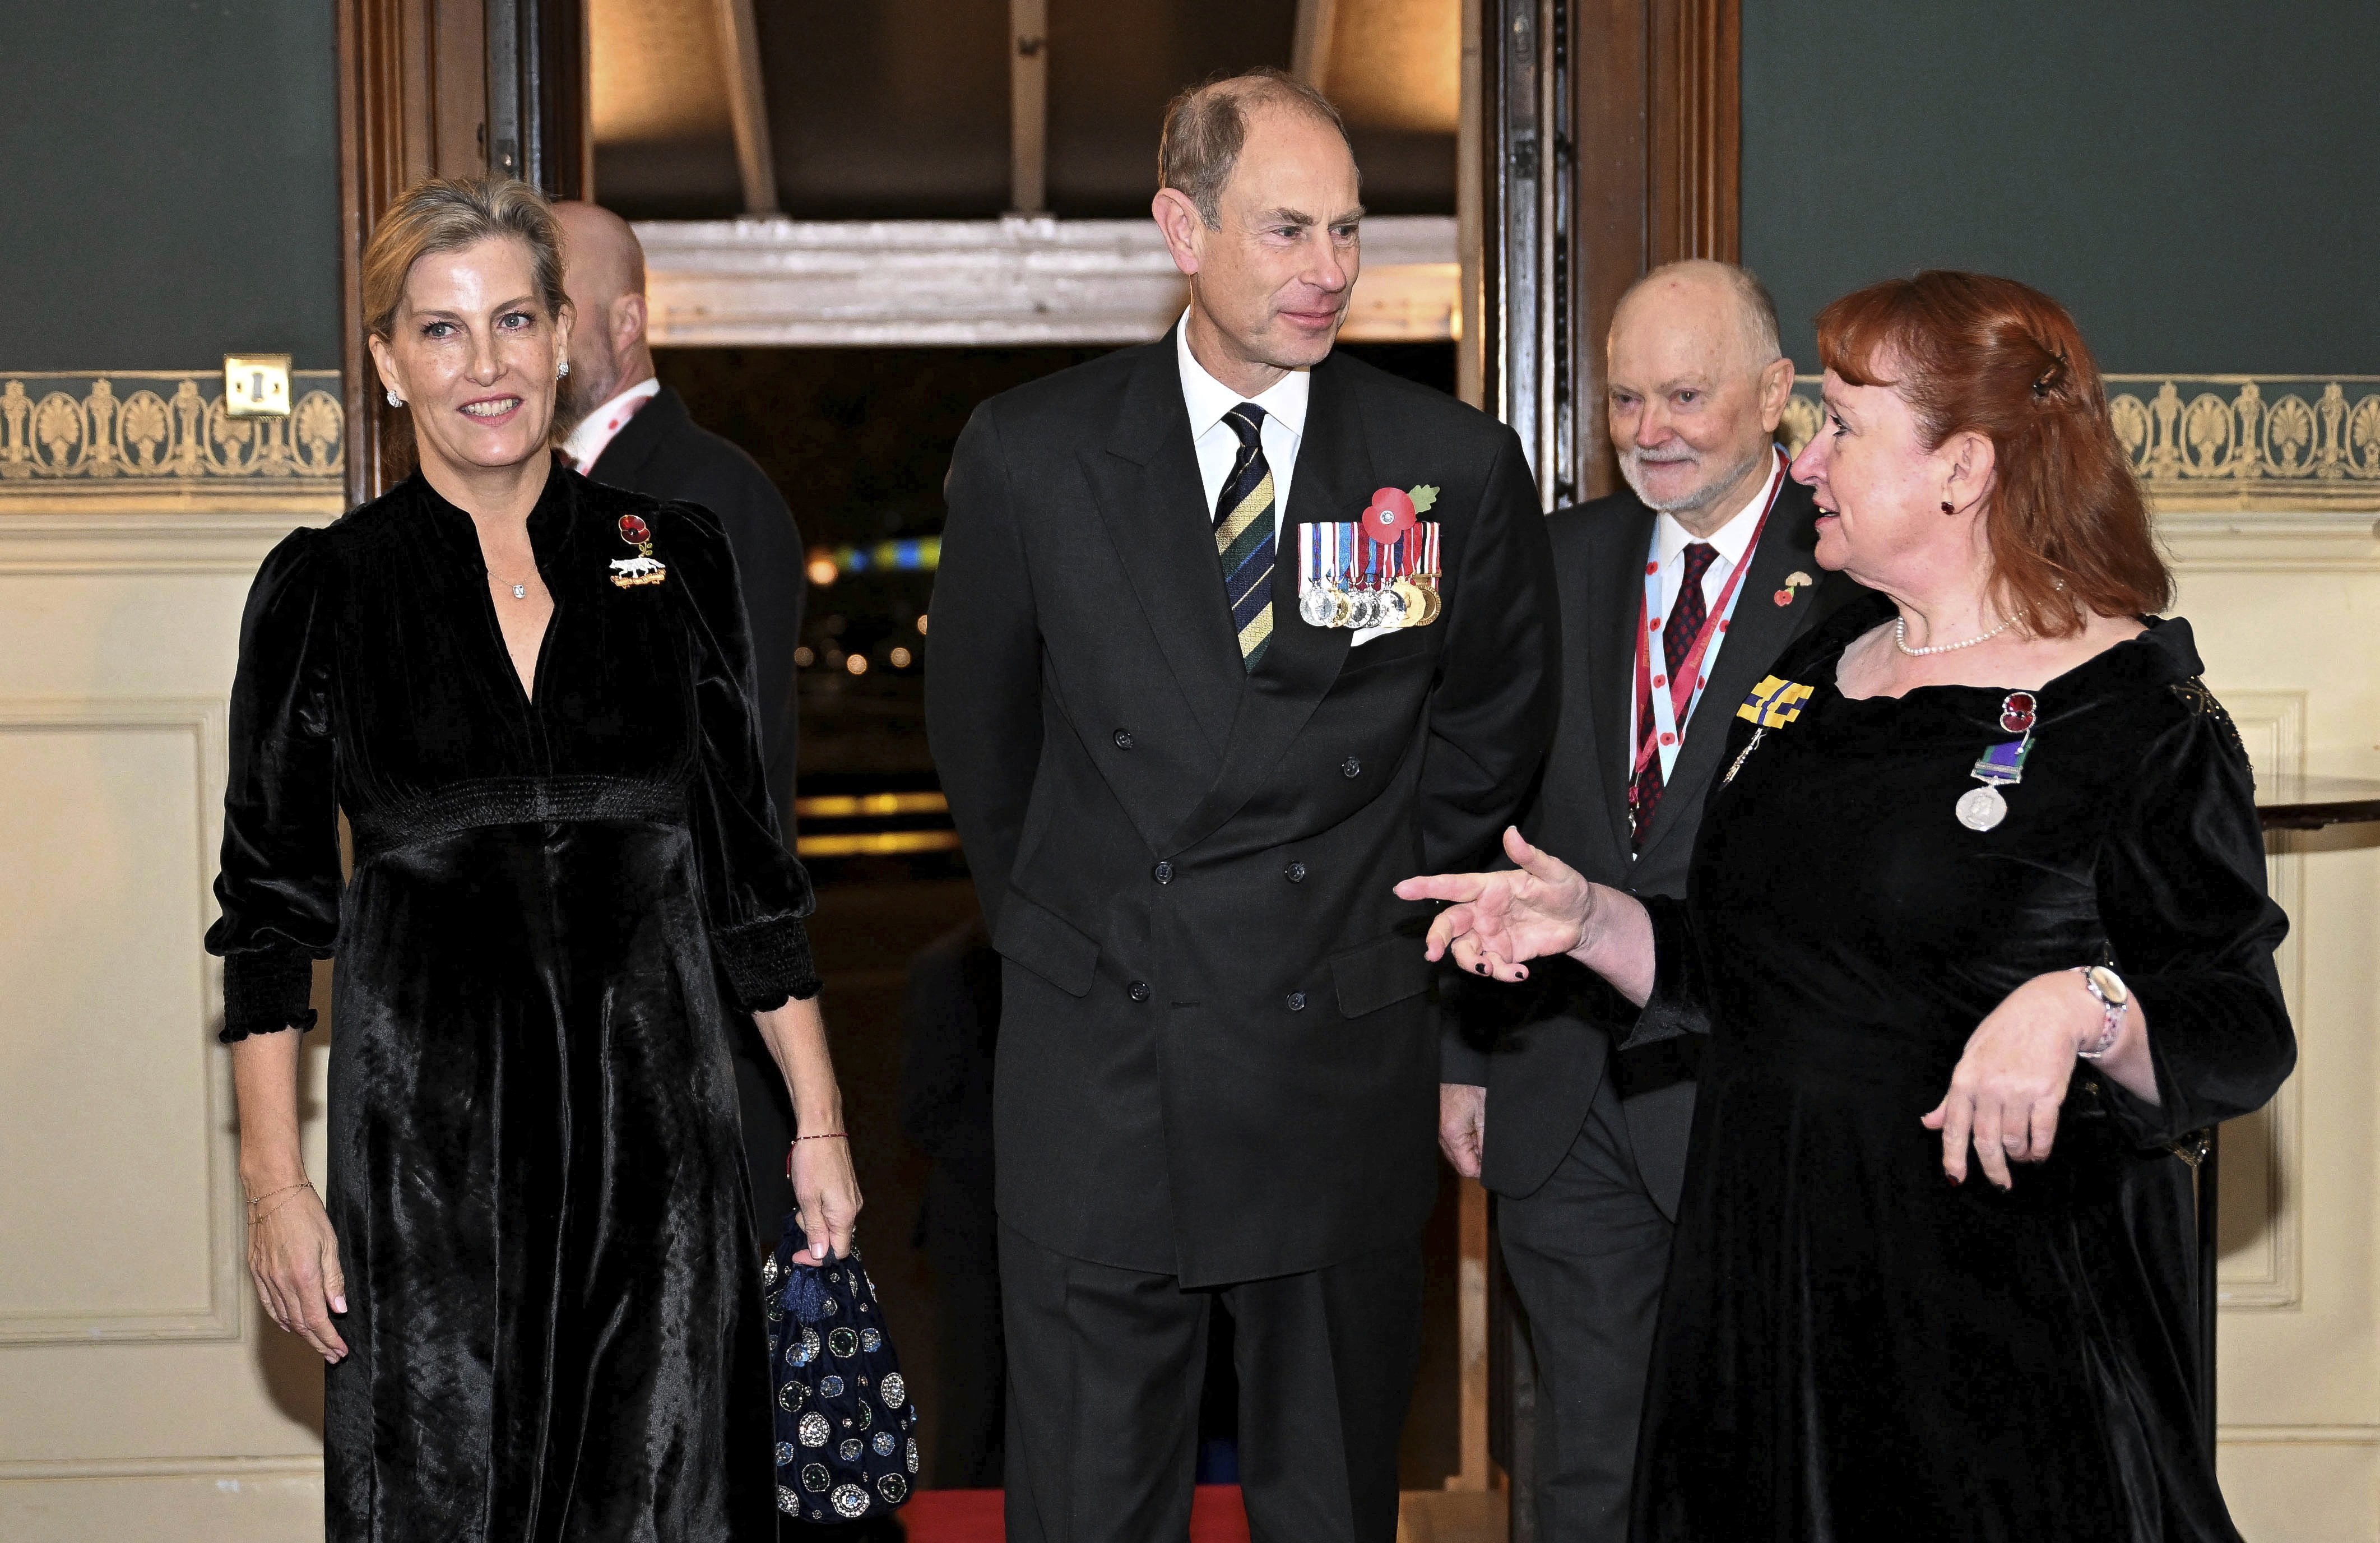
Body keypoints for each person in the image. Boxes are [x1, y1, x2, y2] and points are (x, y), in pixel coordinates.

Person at [1399, 271, 2294, 1541]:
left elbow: (2237, 1026)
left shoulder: (2137, 715)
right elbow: (1755, 970)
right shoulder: (1817, 673)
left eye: (1842, 428)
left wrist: (2080, 1005)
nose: (1805, 459)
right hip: (1768, 1294)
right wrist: (1592, 920)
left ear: (1962, 469)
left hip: (1992, 1338)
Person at [925, 69, 1557, 1543]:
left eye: (1347, 230)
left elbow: (1490, 730)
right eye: (1286, 230)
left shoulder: (1449, 464)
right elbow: (987, 748)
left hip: (1329, 1050)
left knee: (1329, 1499)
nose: (1327, 271)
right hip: (1103, 1064)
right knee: (1090, 1502)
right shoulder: (1032, 454)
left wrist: (1356, 907)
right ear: (1178, 228)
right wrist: (1082, 933)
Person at [206, 176, 861, 1542]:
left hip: (663, 1150)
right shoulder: (323, 588)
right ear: (387, 362)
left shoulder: (670, 555)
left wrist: (818, 1123)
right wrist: (276, 1188)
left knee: (667, 1504)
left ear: (567, 336)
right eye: (440, 331)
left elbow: (751, 872)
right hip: (428, 1159)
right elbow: (270, 919)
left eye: (513, 319)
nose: (485, 365)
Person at [1437, 259, 1858, 1542]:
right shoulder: (1553, 561)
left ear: (1777, 393)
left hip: (1762, 1092)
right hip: (1561, 1091)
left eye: (1686, 396)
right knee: (1584, 1469)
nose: (1652, 433)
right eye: (1626, 402)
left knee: (1774, 1458)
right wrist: (1464, 1054)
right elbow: (1480, 809)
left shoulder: (1855, 570)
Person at [551, 198, 813, 1242]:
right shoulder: (508, 496)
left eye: (543, 309)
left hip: (683, 1008)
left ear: (624, 323)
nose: (514, 338)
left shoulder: (709, 496)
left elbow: (727, 777)